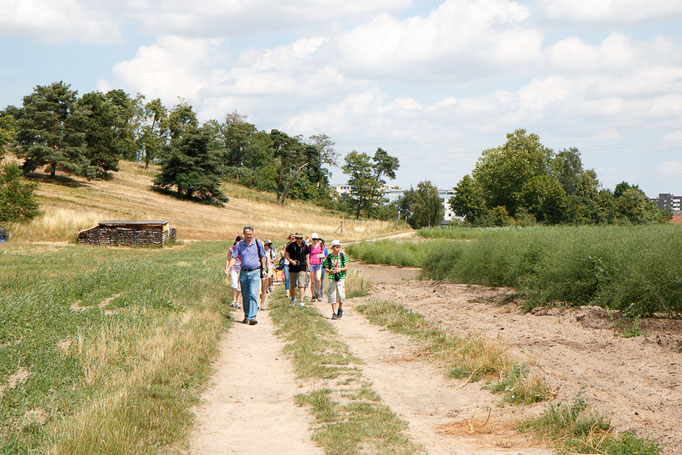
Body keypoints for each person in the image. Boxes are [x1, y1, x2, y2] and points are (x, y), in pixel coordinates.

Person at [227, 225, 266, 325]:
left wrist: (264, 269)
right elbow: (234, 258)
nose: (248, 236)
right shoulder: (239, 245)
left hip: (255, 272)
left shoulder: (258, 243)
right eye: (247, 234)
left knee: (253, 293)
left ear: (252, 233)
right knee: (245, 295)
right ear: (243, 234)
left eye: (250, 234)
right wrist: (228, 269)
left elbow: (263, 257)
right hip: (244, 272)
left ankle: (252, 317)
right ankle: (247, 316)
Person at [323, 240, 349, 320]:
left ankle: (340, 308)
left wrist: (340, 269)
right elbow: (326, 268)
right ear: (332, 247)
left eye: (339, 247)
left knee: (341, 295)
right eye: (337, 247)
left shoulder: (342, 256)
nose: (338, 249)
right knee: (332, 296)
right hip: (332, 278)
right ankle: (334, 313)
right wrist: (330, 271)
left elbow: (346, 267)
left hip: (341, 278)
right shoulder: (329, 257)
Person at [284, 232, 310, 307]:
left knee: (301, 285)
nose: (299, 240)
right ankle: (293, 299)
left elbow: (307, 258)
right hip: (293, 268)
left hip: (302, 267)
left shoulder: (305, 246)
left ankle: (301, 301)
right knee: (292, 285)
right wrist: (291, 261)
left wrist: (308, 269)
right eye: (297, 238)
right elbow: (286, 255)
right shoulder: (291, 246)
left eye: (300, 238)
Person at [225, 235, 244, 309]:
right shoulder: (231, 249)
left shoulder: (244, 249)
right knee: (234, 284)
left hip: (241, 268)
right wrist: (227, 268)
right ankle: (234, 300)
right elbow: (228, 259)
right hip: (233, 268)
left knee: (240, 286)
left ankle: (238, 302)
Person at [259, 240, 276, 310]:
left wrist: (269, 273)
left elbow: (268, 264)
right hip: (257, 272)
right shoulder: (256, 254)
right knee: (258, 290)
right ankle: (257, 303)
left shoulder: (267, 254)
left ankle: (262, 304)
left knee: (263, 289)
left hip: (265, 272)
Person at [308, 233, 325, 301]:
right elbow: (308, 256)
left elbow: (323, 254)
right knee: (312, 281)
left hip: (318, 264)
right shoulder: (310, 246)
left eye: (316, 239)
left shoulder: (320, 245)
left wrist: (321, 256)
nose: (315, 240)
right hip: (312, 264)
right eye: (313, 239)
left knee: (318, 279)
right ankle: (313, 295)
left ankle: (318, 293)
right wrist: (308, 266)